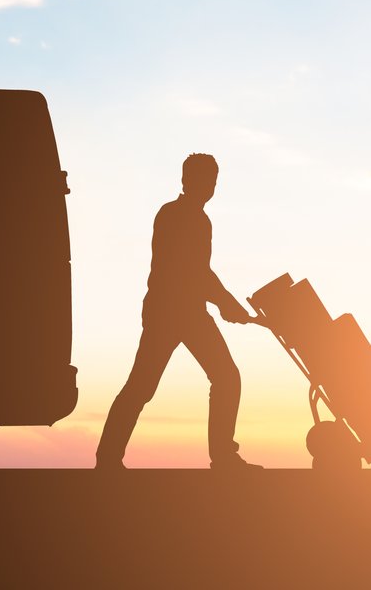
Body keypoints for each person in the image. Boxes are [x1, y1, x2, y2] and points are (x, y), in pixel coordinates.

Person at [96, 152, 263, 470]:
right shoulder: (182, 216)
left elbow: (199, 272)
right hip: (172, 313)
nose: (210, 186)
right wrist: (227, 303)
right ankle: (222, 457)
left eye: (213, 181)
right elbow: (193, 271)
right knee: (149, 385)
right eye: (205, 180)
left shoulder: (188, 216)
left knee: (218, 377)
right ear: (187, 180)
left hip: (182, 312)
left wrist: (224, 303)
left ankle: (109, 458)